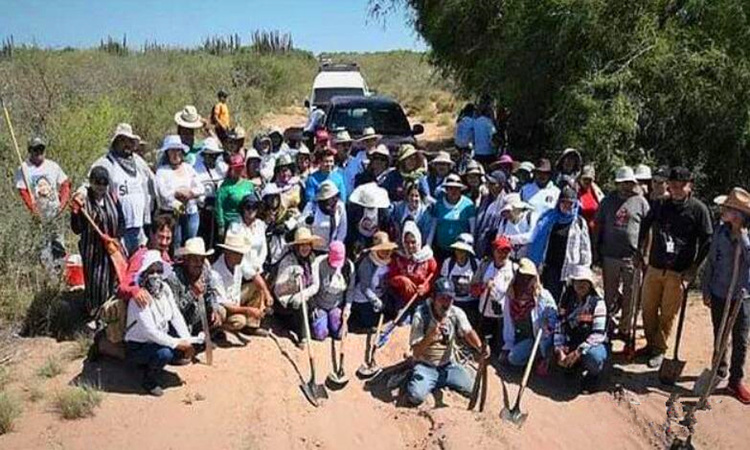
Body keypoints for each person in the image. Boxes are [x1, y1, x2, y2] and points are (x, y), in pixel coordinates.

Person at [638, 167, 713, 368]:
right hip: (654, 266)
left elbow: (707, 240)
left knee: (668, 313)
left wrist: (693, 269)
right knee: (648, 308)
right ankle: (650, 343)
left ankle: (659, 349)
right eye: (673, 186)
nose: (677, 190)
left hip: (678, 271)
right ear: (668, 186)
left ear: (690, 186)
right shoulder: (660, 204)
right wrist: (640, 252)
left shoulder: (699, 209)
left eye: (682, 186)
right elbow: (645, 225)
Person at [701, 188, 750, 404]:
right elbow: (711, 262)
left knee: (740, 338)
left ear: (738, 214)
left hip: (742, 296)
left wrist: (743, 238)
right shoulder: (720, 233)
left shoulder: (747, 238)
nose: (723, 210)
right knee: (719, 334)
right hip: (719, 292)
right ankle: (718, 371)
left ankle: (735, 380)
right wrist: (705, 288)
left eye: (728, 208)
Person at [124, 250, 194, 396]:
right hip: (139, 346)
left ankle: (154, 364)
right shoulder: (140, 297)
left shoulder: (165, 289)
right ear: (144, 273)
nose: (155, 275)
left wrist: (187, 340)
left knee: (182, 344)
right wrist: (176, 343)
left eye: (158, 271)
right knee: (165, 353)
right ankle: (148, 379)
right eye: (151, 271)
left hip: (159, 337)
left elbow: (176, 315)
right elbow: (150, 332)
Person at [406, 277, 485, 406]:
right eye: (442, 298)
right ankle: (423, 380)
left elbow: (468, 332)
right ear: (433, 297)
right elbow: (416, 352)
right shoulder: (421, 316)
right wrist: (430, 337)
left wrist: (480, 347)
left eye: (450, 298)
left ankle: (439, 381)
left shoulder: (455, 313)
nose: (446, 303)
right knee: (415, 397)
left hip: (448, 366)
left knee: (473, 389)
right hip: (426, 365)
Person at [595, 166, 650, 338]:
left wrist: (645, 254)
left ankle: (625, 329)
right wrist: (596, 250)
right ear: (617, 184)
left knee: (631, 295)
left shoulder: (640, 201)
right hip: (609, 254)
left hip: (631, 257)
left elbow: (648, 230)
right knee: (609, 295)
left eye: (629, 183)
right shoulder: (607, 201)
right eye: (622, 183)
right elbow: (598, 225)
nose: (626, 187)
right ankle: (608, 326)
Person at [70, 167, 125, 316]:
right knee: (96, 283)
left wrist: (116, 238)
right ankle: (95, 314)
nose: (101, 187)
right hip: (93, 251)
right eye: (97, 183)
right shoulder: (84, 201)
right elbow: (76, 228)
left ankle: (112, 314)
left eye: (104, 183)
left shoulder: (112, 198)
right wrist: (75, 213)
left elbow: (121, 221)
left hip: (112, 249)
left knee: (114, 280)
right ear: (91, 182)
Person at [91, 123, 152, 255]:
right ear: (115, 142)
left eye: (130, 141)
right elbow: (89, 181)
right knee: (121, 268)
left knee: (138, 267)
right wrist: (80, 194)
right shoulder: (106, 162)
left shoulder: (139, 162)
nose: (127, 144)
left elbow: (153, 182)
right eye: (122, 140)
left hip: (140, 227)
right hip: (118, 228)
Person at [528, 186, 592, 302]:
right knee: (548, 301)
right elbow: (537, 242)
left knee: (566, 303)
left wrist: (584, 270)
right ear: (558, 202)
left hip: (571, 270)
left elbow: (585, 248)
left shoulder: (579, 223)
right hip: (550, 269)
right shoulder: (548, 219)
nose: (567, 206)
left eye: (570, 203)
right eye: (564, 202)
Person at [554, 265, 609, 389]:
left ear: (590, 284)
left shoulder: (598, 303)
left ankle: (594, 375)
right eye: (578, 281)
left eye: (585, 281)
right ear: (573, 283)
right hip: (572, 340)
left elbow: (598, 335)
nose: (581, 285)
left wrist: (578, 352)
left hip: (592, 344)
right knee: (552, 353)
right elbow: (559, 325)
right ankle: (573, 366)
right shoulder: (566, 300)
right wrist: (559, 350)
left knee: (594, 357)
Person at [501, 258, 558, 373]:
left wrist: (548, 327)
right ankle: (529, 358)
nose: (525, 280)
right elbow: (508, 323)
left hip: (541, 339)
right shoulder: (511, 295)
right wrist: (508, 345)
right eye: (523, 276)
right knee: (512, 358)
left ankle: (542, 358)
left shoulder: (543, 296)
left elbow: (554, 319)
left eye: (529, 277)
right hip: (523, 338)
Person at [213, 229, 268, 335]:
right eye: (238, 253)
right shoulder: (216, 272)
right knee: (237, 320)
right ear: (227, 252)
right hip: (225, 306)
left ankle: (251, 326)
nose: (241, 256)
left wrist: (267, 293)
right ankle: (217, 328)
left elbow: (254, 275)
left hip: (236, 300)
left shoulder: (240, 262)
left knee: (256, 287)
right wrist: (248, 310)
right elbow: (224, 304)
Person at [273, 227, 322, 346]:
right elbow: (277, 290)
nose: (305, 248)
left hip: (304, 296)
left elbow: (316, 285)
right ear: (296, 246)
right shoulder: (288, 261)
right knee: (300, 305)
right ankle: (302, 336)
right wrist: (291, 281)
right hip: (287, 301)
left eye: (307, 244)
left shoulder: (312, 260)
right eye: (301, 245)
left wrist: (302, 294)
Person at [165, 238, 224, 336]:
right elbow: (174, 312)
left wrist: (214, 308)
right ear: (186, 260)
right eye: (195, 259)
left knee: (220, 312)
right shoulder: (174, 278)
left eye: (201, 259)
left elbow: (210, 292)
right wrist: (192, 293)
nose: (199, 263)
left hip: (197, 317)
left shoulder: (204, 271)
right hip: (179, 323)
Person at [155, 135, 205, 249]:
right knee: (175, 244)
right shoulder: (162, 171)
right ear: (167, 153)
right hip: (172, 214)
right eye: (172, 151)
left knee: (190, 243)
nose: (175, 154)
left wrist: (190, 193)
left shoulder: (189, 168)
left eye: (178, 150)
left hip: (191, 211)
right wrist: (177, 193)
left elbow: (201, 188)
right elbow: (163, 193)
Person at [471, 235, 515, 356]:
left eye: (507, 251)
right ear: (494, 251)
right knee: (483, 347)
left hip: (504, 317)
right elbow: (473, 289)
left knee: (498, 348)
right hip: (485, 312)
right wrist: (484, 287)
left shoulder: (514, 269)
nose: (503, 254)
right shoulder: (484, 265)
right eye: (500, 251)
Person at [118, 214, 175, 305]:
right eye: (160, 237)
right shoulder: (141, 257)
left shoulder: (164, 255)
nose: (164, 243)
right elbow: (122, 287)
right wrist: (134, 291)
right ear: (151, 234)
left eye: (168, 238)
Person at [303, 241, 355, 340]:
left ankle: (332, 322)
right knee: (320, 334)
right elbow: (312, 286)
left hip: (336, 305)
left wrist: (347, 307)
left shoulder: (349, 266)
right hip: (320, 305)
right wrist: (312, 304)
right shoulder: (318, 263)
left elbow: (350, 290)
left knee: (340, 334)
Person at [349, 232, 397, 330]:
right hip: (364, 298)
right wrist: (376, 302)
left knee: (392, 312)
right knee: (371, 321)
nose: (386, 252)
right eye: (382, 249)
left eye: (387, 249)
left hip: (380, 294)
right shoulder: (367, 263)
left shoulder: (389, 260)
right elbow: (365, 288)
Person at [388, 220, 438, 314]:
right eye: (406, 242)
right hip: (402, 299)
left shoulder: (427, 257)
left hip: (422, 299)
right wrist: (401, 279)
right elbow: (390, 279)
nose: (410, 246)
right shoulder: (398, 256)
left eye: (413, 242)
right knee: (402, 324)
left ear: (418, 240)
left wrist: (426, 287)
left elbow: (434, 276)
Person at [16, 136, 71, 221]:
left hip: (55, 214)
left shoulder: (52, 166)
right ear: (30, 151)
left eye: (41, 149)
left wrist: (62, 205)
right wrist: (33, 210)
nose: (39, 152)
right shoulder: (23, 168)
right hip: (36, 217)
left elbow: (65, 184)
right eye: (36, 149)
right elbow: (23, 191)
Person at [427, 174, 476, 263]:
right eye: (450, 188)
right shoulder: (439, 204)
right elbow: (433, 228)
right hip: (441, 249)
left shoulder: (468, 205)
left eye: (457, 188)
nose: (454, 191)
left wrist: (471, 247)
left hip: (461, 250)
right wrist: (428, 246)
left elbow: (473, 229)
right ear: (446, 189)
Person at [194, 137, 226, 249]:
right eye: (211, 155)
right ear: (204, 155)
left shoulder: (220, 168)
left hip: (218, 210)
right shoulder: (197, 171)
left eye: (215, 155)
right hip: (203, 212)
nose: (213, 158)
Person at [440, 233, 479, 323]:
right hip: (453, 303)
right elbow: (443, 282)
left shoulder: (476, 264)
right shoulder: (448, 263)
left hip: (471, 304)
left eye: (463, 251)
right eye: (458, 250)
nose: (460, 253)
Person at [300, 180, 347, 252]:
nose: (333, 200)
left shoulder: (340, 207)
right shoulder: (311, 207)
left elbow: (342, 230)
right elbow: (300, 226)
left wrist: (336, 247)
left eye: (334, 197)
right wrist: (306, 221)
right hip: (313, 249)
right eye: (329, 198)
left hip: (331, 249)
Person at [346, 182, 391, 258]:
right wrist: (355, 240)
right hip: (358, 236)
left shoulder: (383, 211)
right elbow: (350, 225)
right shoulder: (355, 208)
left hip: (374, 237)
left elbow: (385, 228)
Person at [215, 153, 254, 239]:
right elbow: (219, 205)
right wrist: (221, 225)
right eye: (236, 168)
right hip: (229, 222)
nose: (238, 170)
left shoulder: (248, 185)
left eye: (240, 168)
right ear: (231, 169)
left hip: (245, 222)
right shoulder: (225, 186)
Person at [475, 170, 508, 259]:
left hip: (493, 246)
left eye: (493, 183)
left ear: (502, 185)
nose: (489, 185)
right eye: (489, 183)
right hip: (479, 242)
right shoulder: (484, 198)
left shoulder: (506, 202)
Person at [389, 181, 433, 246]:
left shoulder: (426, 215)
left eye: (416, 196)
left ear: (421, 198)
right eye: (411, 195)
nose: (413, 198)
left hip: (416, 246)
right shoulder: (398, 208)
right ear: (407, 196)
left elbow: (424, 236)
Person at [496, 193, 537, 260]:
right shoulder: (504, 222)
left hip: (527, 260)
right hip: (509, 259)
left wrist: (510, 239)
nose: (506, 215)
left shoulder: (530, 216)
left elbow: (531, 236)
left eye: (508, 211)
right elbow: (498, 238)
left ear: (517, 208)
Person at [577, 165, 604, 235]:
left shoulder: (597, 192)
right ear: (580, 178)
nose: (587, 181)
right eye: (585, 179)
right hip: (579, 232)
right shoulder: (575, 191)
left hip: (595, 232)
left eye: (590, 179)